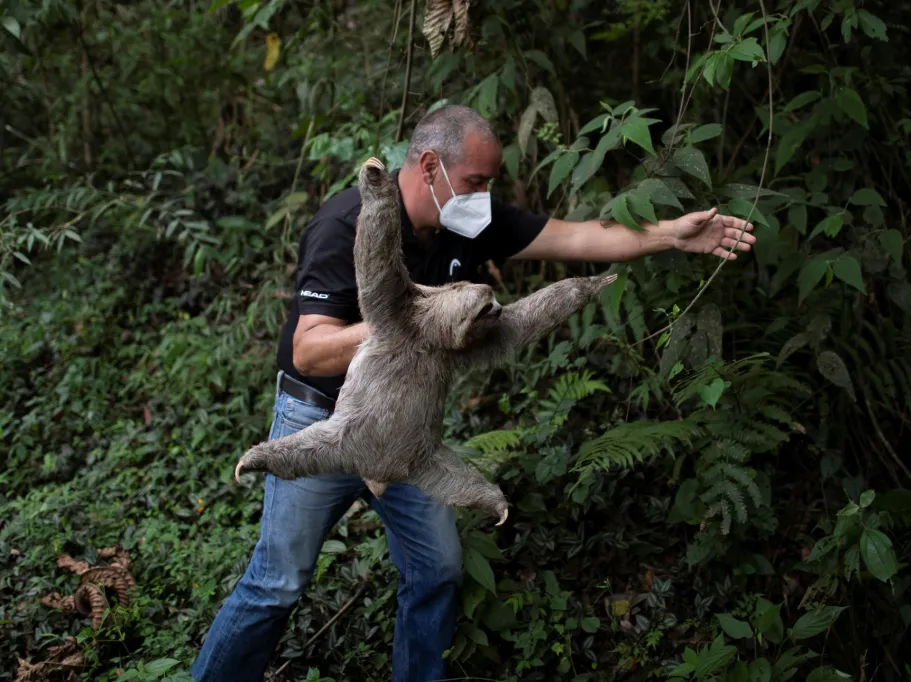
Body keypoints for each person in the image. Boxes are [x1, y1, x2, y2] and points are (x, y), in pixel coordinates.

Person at [190, 104, 755, 682]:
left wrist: (671, 236)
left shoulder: (468, 219)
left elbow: (577, 236)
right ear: (430, 165)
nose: (483, 195)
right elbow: (309, 349)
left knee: (438, 569)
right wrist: (409, 321)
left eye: (489, 184)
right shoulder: (344, 225)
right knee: (278, 583)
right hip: (322, 420)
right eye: (476, 181)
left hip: (408, 438)